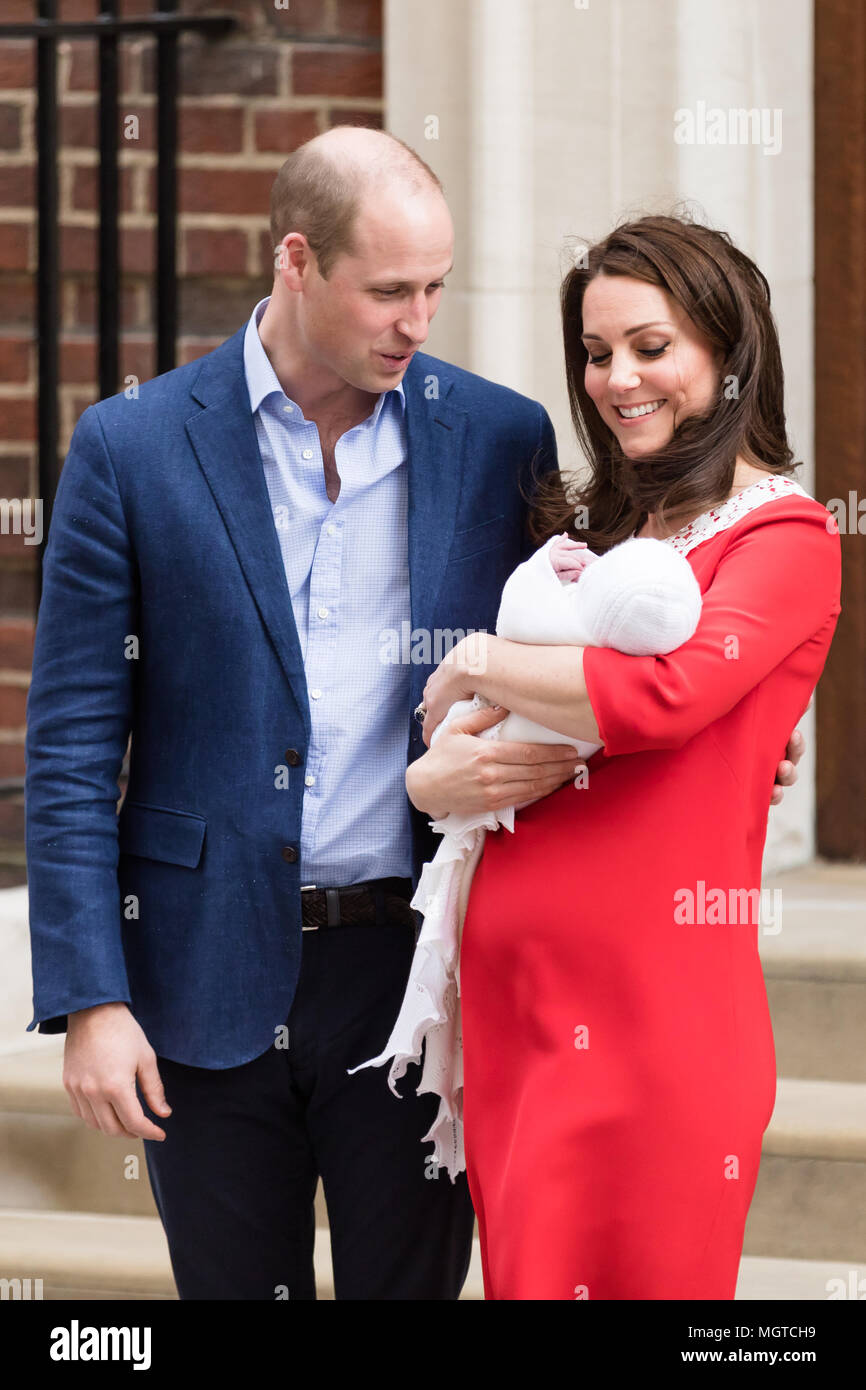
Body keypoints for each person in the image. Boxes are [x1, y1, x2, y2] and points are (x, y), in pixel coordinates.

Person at [23, 127, 803, 1300]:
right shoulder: (132, 447)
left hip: (420, 980)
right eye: (389, 290)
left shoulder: (495, 438)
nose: (418, 320)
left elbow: (588, 652)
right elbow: (73, 746)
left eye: (436, 287)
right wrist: (90, 996)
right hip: (201, 976)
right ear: (297, 263)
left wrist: (744, 742)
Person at [408, 214, 840, 1300]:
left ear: (729, 354)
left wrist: (478, 659)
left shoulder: (784, 538)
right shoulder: (599, 533)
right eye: (595, 354)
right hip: (518, 1008)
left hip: (655, 1028)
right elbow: (497, 726)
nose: (614, 379)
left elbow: (666, 695)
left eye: (650, 347)